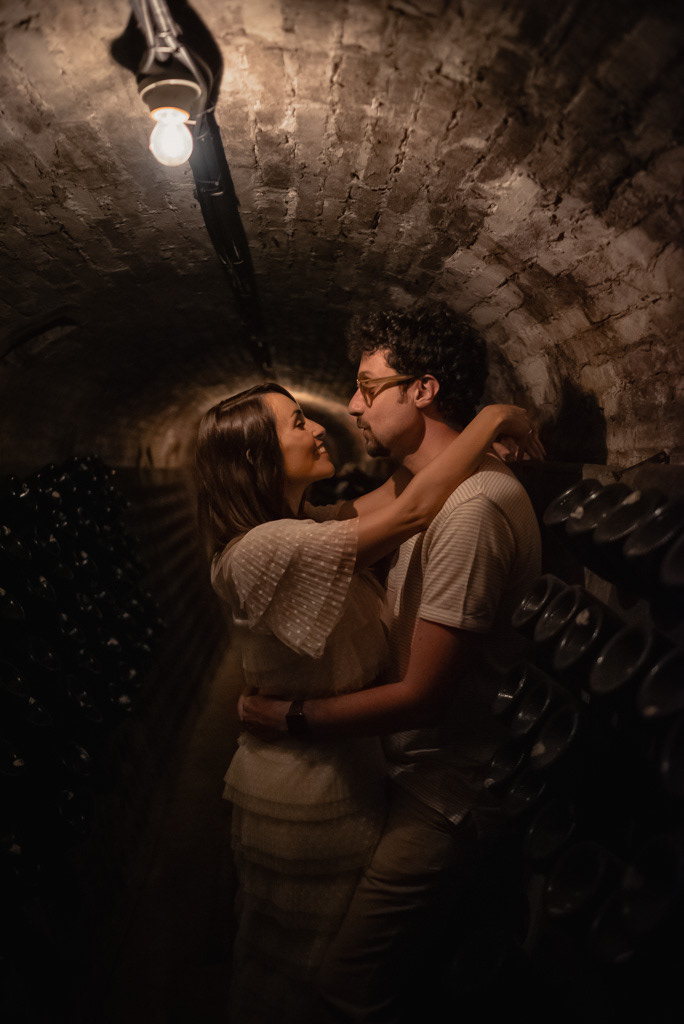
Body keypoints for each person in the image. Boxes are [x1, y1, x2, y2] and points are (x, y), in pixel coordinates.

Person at [195, 373, 542, 1024]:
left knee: (323, 955)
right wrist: (493, 418)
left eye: (364, 388)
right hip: (305, 795)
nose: (322, 425)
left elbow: (399, 492)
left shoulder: (305, 526)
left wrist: (430, 438)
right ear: (254, 456)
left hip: (349, 774)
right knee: (305, 965)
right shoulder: (266, 548)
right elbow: (412, 512)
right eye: (298, 423)